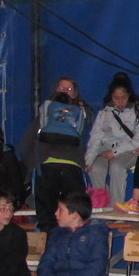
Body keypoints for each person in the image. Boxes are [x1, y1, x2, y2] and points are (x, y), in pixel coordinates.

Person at [21, 77, 91, 231]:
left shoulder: (46, 111)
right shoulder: (83, 113)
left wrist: (32, 164)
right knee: (75, 211)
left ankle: (49, 240)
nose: (65, 91)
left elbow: (27, 142)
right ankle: (74, 240)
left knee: (46, 212)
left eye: (69, 88)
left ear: (76, 93)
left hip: (47, 165)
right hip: (72, 166)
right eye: (62, 87)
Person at [85, 74, 139, 207]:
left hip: (129, 150)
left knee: (117, 166)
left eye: (123, 98)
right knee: (96, 168)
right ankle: (102, 204)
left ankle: (116, 205)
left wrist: (115, 152)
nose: (120, 102)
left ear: (129, 95)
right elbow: (95, 137)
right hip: (106, 148)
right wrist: (89, 160)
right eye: (116, 98)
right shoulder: (104, 112)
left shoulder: (138, 112)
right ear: (111, 97)